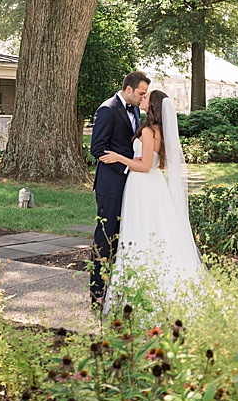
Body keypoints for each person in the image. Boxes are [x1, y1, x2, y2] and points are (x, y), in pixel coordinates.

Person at [96, 87, 207, 312]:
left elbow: (145, 166)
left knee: (139, 231)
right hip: (155, 185)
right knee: (155, 231)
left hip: (142, 184)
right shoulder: (159, 131)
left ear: (153, 105)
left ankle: (139, 290)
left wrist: (119, 157)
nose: (142, 98)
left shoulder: (148, 131)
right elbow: (157, 163)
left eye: (146, 97)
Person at [89, 71, 148, 309]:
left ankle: (114, 286)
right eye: (141, 93)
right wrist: (126, 168)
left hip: (131, 185)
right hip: (110, 185)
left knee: (122, 236)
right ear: (129, 89)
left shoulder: (134, 109)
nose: (143, 98)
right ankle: (96, 292)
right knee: (104, 237)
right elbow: (98, 149)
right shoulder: (107, 109)